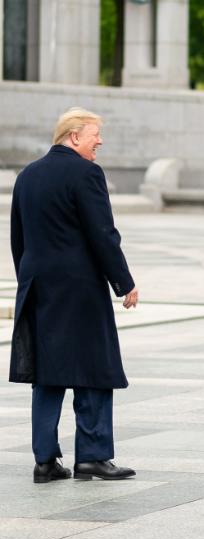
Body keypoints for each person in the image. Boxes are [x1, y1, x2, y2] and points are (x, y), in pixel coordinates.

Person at [9, 107, 138, 484]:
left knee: (46, 373)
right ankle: (93, 457)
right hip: (79, 289)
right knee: (94, 368)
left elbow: (19, 238)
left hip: (38, 286)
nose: (100, 141)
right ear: (74, 136)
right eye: (95, 134)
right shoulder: (87, 173)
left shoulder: (27, 176)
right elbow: (103, 233)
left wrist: (29, 279)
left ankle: (45, 461)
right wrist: (124, 282)